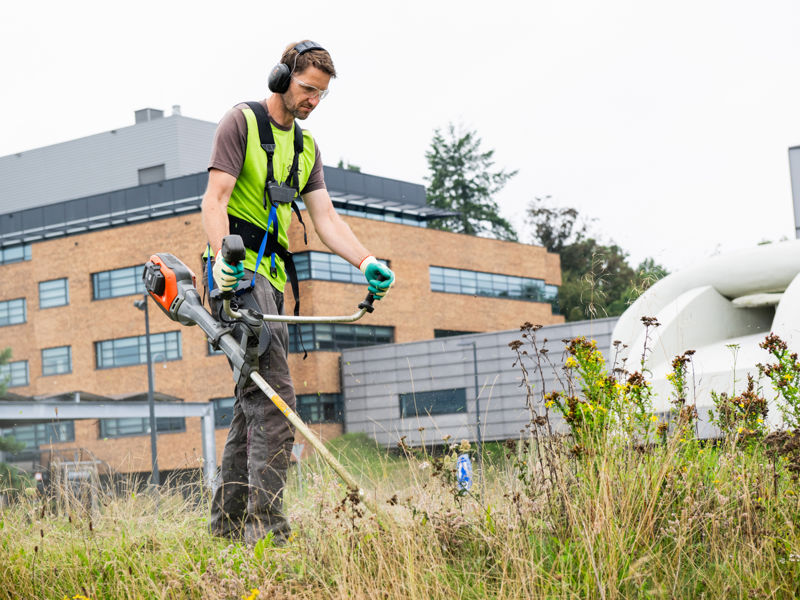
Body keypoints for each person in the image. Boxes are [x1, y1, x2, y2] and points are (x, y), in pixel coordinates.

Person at [200, 40, 395, 545]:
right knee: (278, 397)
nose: (312, 100)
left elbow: (325, 218)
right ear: (281, 76)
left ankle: (228, 530)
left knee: (253, 401)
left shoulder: (306, 149)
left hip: (274, 282)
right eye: (307, 89)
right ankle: (267, 532)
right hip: (237, 279)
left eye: (321, 95)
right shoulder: (239, 123)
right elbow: (214, 198)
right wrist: (224, 259)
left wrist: (366, 260)